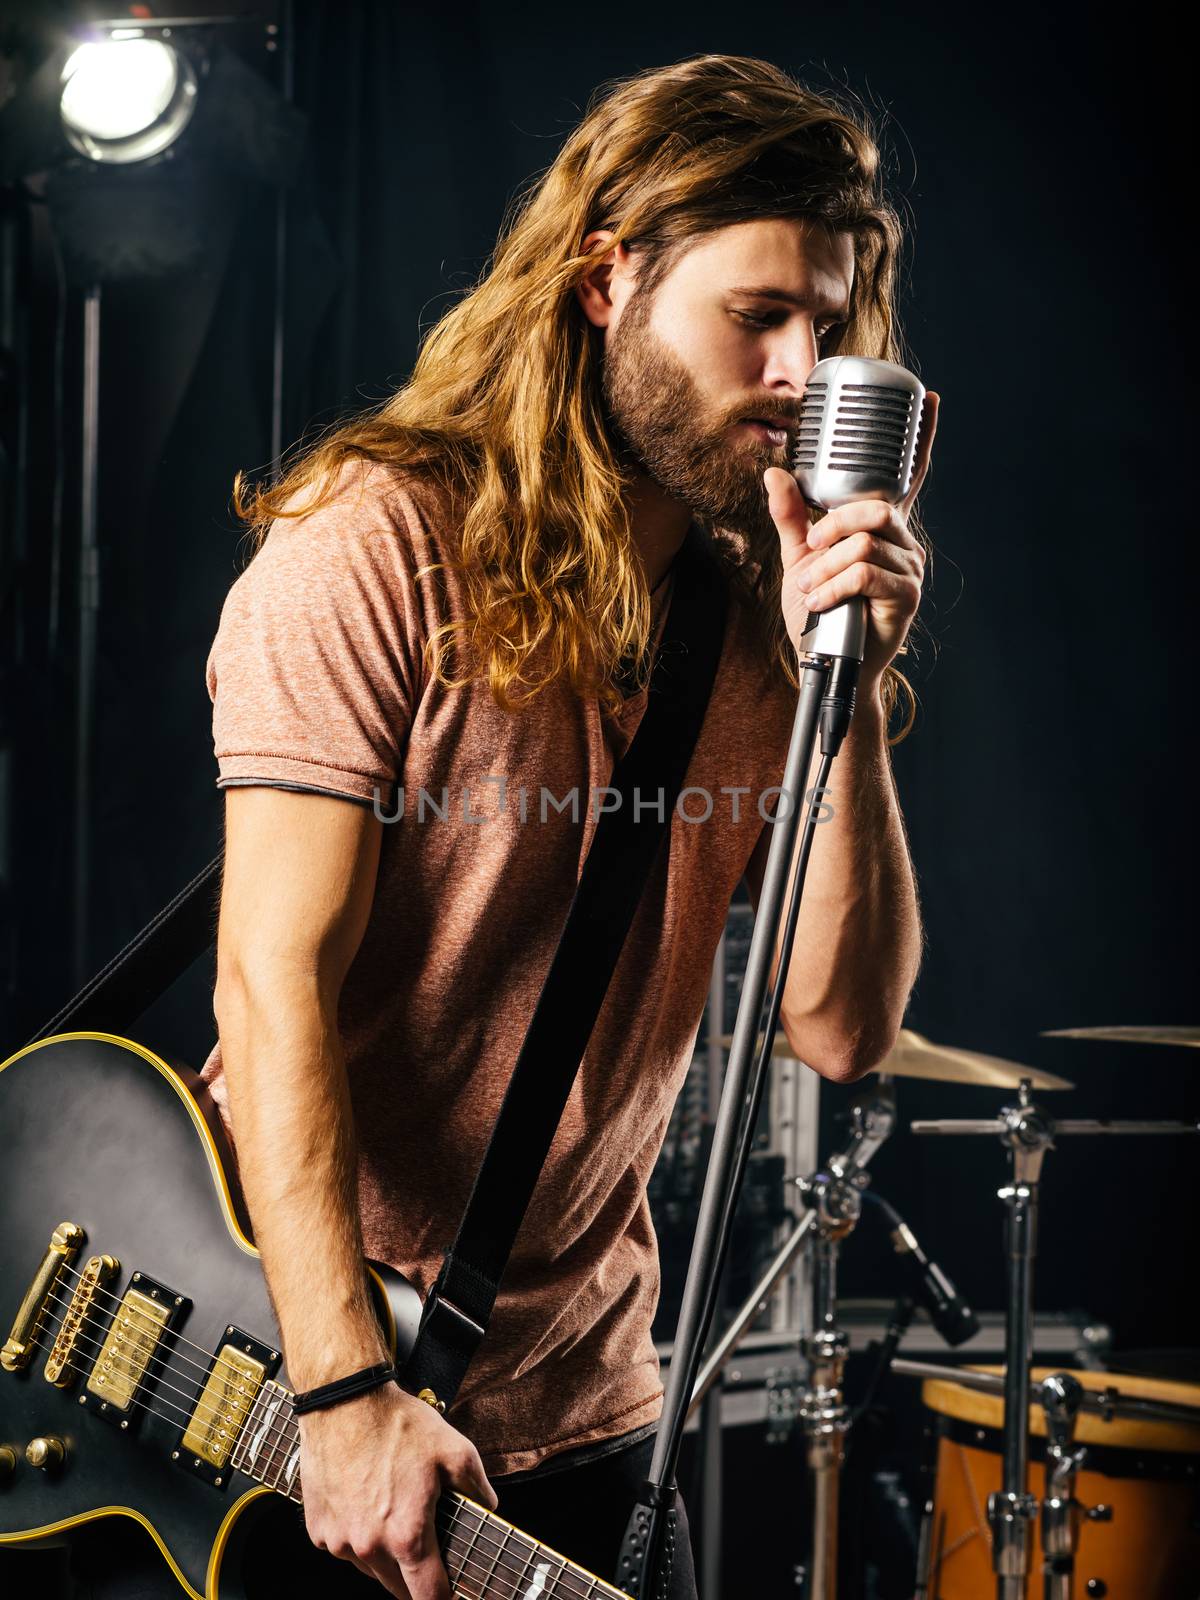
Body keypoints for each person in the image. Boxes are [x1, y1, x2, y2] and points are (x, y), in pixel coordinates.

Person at [69, 51, 939, 1600]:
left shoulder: (756, 633)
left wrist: (848, 678)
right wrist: (341, 1397)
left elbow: (844, 1023)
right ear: (609, 282)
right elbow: (272, 987)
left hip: (592, 1407)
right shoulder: (375, 545)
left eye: (830, 325)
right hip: (297, 1369)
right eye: (760, 317)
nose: (805, 371)